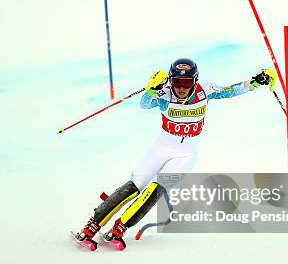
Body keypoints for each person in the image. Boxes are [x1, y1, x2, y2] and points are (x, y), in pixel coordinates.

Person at [73, 58, 276, 251]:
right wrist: (152, 89)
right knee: (135, 184)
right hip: (161, 147)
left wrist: (256, 81)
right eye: (177, 82)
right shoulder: (165, 93)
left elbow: (231, 91)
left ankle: (120, 228)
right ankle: (92, 225)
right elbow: (144, 104)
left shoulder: (205, 91)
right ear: (171, 80)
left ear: (195, 82)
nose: (181, 88)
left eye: (186, 83)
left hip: (185, 155)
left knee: (156, 188)